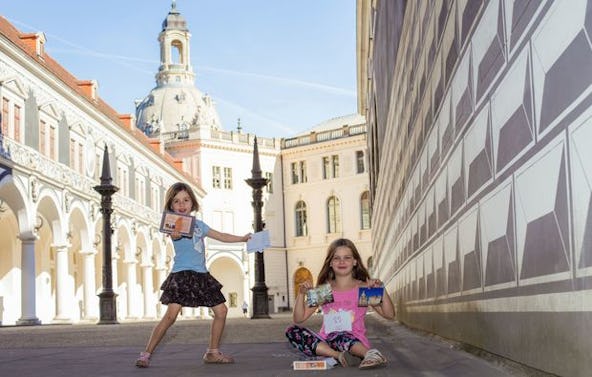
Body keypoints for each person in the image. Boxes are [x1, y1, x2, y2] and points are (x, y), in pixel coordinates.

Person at [135, 182, 251, 368]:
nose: (182, 204)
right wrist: (175, 233)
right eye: (177, 201)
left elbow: (221, 235)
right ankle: (146, 354)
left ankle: (212, 352)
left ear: (192, 202)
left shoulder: (199, 225)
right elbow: (174, 236)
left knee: (221, 311)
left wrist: (242, 239)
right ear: (171, 206)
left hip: (202, 275)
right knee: (170, 316)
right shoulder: (173, 223)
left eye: (186, 200)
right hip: (182, 274)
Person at [285, 238, 395, 370]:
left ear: (355, 262)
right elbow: (299, 318)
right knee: (292, 331)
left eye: (347, 257)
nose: (342, 261)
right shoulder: (325, 290)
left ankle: (370, 354)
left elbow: (389, 314)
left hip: (354, 342)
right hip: (326, 344)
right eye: (336, 258)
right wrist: (301, 294)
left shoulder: (363, 288)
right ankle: (339, 356)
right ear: (330, 263)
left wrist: (381, 289)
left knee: (338, 334)